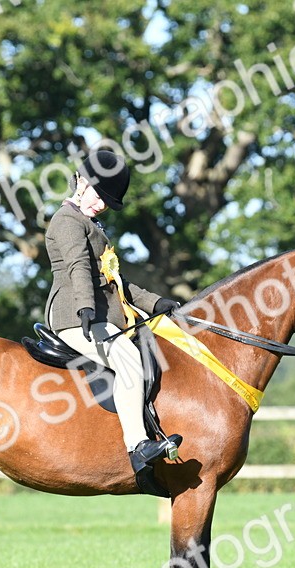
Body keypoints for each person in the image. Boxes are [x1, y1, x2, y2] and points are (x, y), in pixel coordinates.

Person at [43, 149, 182, 481]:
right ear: (81, 180)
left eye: (107, 200)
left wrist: (155, 303)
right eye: (98, 194)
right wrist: (85, 307)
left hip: (101, 315)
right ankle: (137, 448)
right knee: (129, 360)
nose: (101, 204)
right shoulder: (67, 221)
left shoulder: (93, 225)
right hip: (75, 316)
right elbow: (78, 267)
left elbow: (116, 281)